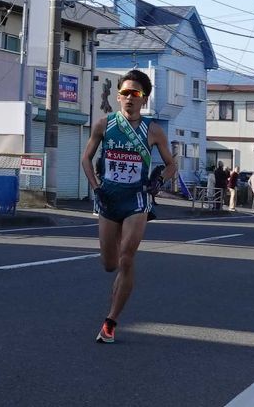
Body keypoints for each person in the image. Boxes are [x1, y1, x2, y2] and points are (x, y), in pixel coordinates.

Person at [81, 70, 177, 344]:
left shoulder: (154, 130)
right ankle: (119, 285)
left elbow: (171, 165)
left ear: (144, 99)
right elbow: (86, 159)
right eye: (125, 93)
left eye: (135, 94)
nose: (129, 98)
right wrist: (96, 187)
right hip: (109, 198)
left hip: (138, 199)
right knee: (110, 264)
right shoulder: (104, 125)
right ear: (118, 96)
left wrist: (159, 178)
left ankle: (110, 322)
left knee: (126, 256)